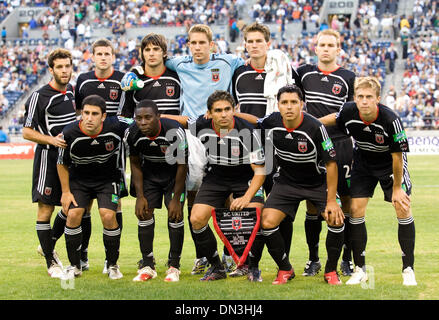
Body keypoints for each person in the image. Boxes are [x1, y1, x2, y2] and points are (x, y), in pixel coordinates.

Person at [237, 85, 345, 285]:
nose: (289, 107)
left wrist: (331, 200)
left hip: (316, 182)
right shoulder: (271, 122)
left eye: (294, 102)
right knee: (267, 222)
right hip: (287, 182)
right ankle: (285, 269)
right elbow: (254, 126)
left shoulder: (315, 127)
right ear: (277, 105)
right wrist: (234, 115)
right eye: (284, 102)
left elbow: (331, 164)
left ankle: (331, 271)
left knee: (335, 219)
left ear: (302, 104)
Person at [319, 76, 417, 286]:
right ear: (355, 98)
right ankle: (360, 269)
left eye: (369, 97)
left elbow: (397, 157)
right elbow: (334, 119)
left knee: (402, 207)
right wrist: (312, 124)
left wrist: (398, 189)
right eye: (360, 97)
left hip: (389, 164)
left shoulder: (391, 120)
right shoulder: (349, 111)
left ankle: (408, 268)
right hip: (364, 162)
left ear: (377, 99)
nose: (364, 101)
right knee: (355, 209)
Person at [165, 24, 245, 274]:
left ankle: (229, 253)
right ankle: (202, 255)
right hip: (193, 135)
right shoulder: (180, 64)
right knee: (193, 195)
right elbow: (154, 60)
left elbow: (252, 62)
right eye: (193, 43)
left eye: (202, 42)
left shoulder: (228, 61)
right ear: (188, 45)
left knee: (228, 194)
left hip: (223, 131)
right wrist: (134, 72)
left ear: (212, 45)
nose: (197, 47)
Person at [162, 90, 266, 281]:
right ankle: (217, 266)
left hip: (245, 176)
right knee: (197, 219)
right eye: (218, 110)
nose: (224, 114)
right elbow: (184, 120)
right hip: (217, 175)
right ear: (209, 113)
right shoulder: (202, 124)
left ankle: (252, 267)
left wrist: (246, 197)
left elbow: (260, 171)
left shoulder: (248, 132)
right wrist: (160, 116)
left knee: (254, 214)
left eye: (228, 109)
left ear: (234, 110)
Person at [231, 22, 294, 277]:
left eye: (259, 41)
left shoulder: (284, 70)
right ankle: (250, 264)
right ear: (245, 44)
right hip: (249, 150)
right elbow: (233, 109)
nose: (254, 45)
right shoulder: (239, 74)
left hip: (278, 149)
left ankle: (283, 262)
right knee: (252, 209)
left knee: (281, 209)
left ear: (268, 43)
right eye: (250, 41)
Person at [293, 29, 356, 277]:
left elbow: (350, 113)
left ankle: (347, 260)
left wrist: (318, 122)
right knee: (312, 204)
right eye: (323, 44)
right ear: (315, 48)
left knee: (348, 203)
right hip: (313, 147)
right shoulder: (303, 73)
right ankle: (313, 259)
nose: (327, 48)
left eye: (331, 45)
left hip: (341, 144)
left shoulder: (349, 77)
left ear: (338, 49)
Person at [57, 95, 133, 280]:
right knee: (74, 214)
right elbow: (61, 163)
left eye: (94, 114)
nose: (89, 118)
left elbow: (140, 121)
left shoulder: (117, 126)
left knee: (108, 215)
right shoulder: (69, 133)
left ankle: (112, 264)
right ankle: (75, 266)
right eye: (86, 113)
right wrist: (66, 192)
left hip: (108, 179)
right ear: (81, 113)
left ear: (104, 116)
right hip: (80, 181)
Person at [74, 38, 129, 272]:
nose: (103, 57)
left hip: (114, 149)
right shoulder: (83, 80)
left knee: (114, 207)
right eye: (99, 53)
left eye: (108, 53)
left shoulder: (122, 79)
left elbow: (128, 112)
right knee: (83, 205)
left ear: (113, 56)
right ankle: (83, 254)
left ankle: (111, 258)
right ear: (92, 56)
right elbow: (78, 112)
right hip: (87, 147)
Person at [22, 48, 77, 278]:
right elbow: (26, 131)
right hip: (48, 157)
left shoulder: (72, 92)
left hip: (71, 159)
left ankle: (49, 242)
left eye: (68, 66)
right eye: (60, 67)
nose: (64, 71)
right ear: (51, 70)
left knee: (73, 205)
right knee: (46, 208)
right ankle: (51, 262)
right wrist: (51, 140)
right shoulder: (39, 96)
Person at [127, 99, 188, 282]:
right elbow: (135, 164)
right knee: (143, 214)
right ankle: (147, 265)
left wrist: (176, 199)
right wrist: (140, 196)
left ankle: (174, 266)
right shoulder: (131, 132)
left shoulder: (174, 130)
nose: (143, 122)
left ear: (158, 116)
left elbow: (182, 165)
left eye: (148, 117)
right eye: (139, 118)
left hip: (173, 175)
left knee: (175, 215)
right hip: (150, 175)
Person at [119, 33, 181, 117]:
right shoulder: (132, 80)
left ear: (165, 53)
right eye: (147, 50)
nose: (151, 54)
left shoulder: (177, 77)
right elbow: (124, 116)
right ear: (142, 54)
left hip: (173, 130)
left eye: (156, 49)